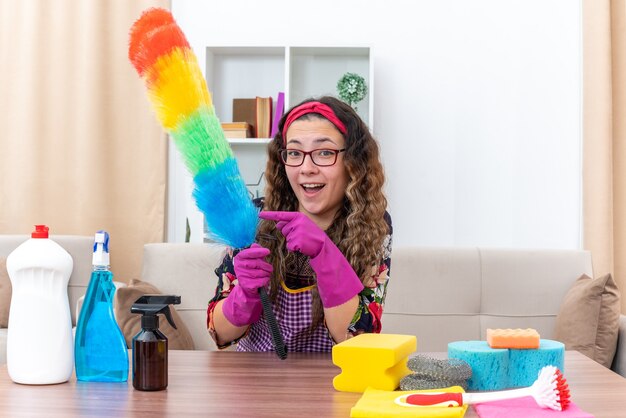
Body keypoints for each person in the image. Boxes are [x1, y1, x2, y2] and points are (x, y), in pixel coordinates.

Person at [207, 96, 392, 352]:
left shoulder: (371, 223)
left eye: (324, 152)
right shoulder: (254, 218)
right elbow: (220, 334)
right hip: (254, 377)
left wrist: (325, 255)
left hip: (334, 379)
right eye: (294, 153)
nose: (306, 168)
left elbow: (358, 340)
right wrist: (245, 295)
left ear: (353, 162)